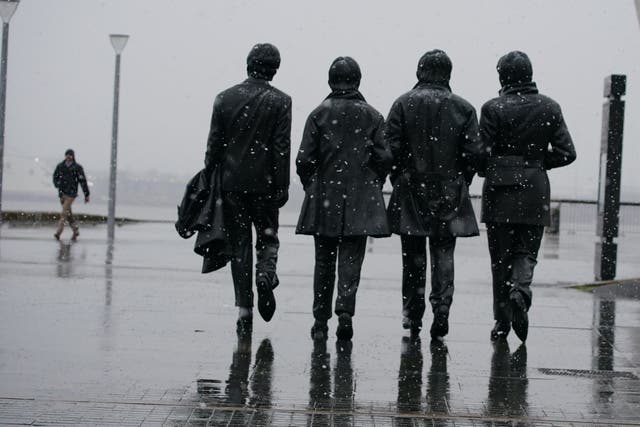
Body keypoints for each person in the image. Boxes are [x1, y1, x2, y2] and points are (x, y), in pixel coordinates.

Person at [385, 49, 483, 340]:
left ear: (420, 72)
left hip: (411, 188)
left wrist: (399, 175)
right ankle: (442, 308)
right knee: (444, 253)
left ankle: (412, 314)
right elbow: (475, 154)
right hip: (449, 189)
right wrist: (460, 178)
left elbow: (391, 150)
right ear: (448, 75)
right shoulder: (464, 109)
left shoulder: (403, 104)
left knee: (413, 257)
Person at [479, 51, 576, 342]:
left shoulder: (493, 108)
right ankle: (521, 290)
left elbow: (481, 153)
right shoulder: (550, 107)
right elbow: (567, 153)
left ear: (502, 77)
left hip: (500, 189)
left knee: (500, 260)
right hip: (535, 189)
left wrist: (496, 164)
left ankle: (501, 322)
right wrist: (535, 161)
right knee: (526, 253)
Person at [296, 56, 391, 341]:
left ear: (330, 81)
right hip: (360, 199)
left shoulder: (318, 114)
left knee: (323, 261)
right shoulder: (372, 116)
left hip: (325, 198)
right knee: (351, 260)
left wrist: (312, 185)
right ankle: (345, 311)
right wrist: (373, 179)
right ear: (358, 81)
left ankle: (320, 320)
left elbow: (304, 160)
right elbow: (385, 157)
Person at [204, 43, 292, 333]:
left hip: (231, 184)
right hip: (265, 184)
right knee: (267, 238)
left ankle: (244, 310)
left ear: (248, 64)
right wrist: (281, 185)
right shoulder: (281, 102)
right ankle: (266, 274)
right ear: (274, 68)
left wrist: (210, 177)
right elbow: (281, 147)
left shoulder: (224, 98)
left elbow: (214, 146)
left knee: (239, 246)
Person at [52, 149, 90, 241]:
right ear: (65, 156)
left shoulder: (77, 168)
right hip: (62, 193)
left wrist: (86, 194)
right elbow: (55, 176)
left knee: (64, 213)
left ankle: (58, 233)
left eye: (70, 155)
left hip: (71, 194)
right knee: (69, 214)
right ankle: (76, 231)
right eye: (67, 155)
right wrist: (57, 184)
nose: (68, 156)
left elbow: (82, 181)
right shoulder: (60, 166)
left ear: (73, 156)